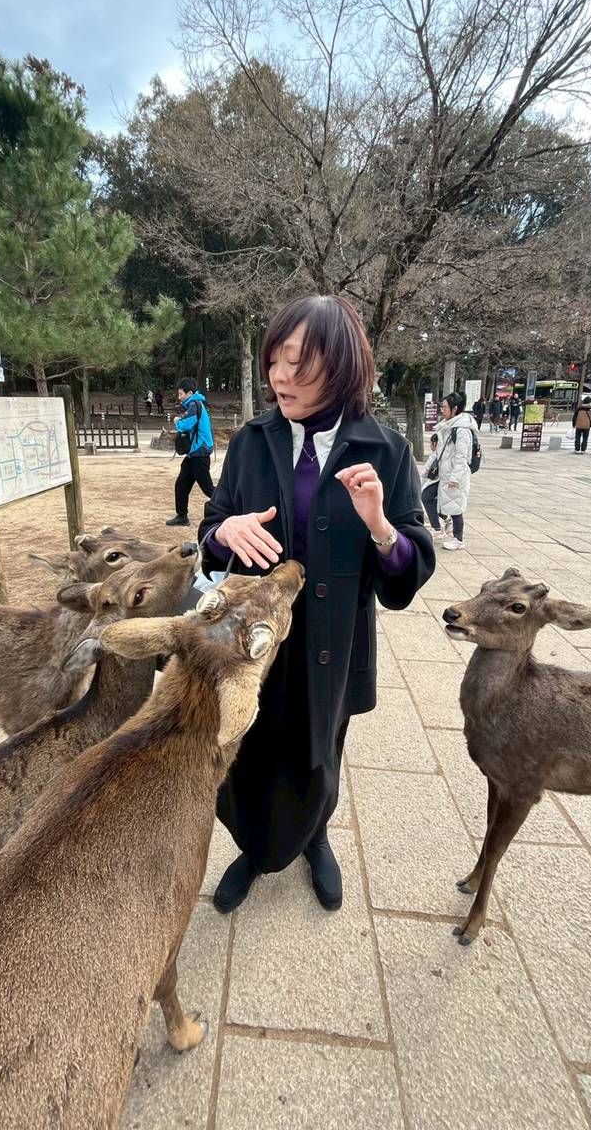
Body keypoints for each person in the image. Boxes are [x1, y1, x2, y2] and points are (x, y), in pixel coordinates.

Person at [199, 294, 435, 913]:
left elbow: (408, 569)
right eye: (274, 360)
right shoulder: (252, 441)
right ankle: (254, 848)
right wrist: (224, 532)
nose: (279, 376)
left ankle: (316, 837)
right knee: (247, 750)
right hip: (252, 641)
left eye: (297, 362)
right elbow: (212, 525)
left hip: (335, 641)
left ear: (341, 365)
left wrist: (380, 526)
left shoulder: (386, 451)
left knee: (320, 750)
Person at [420, 392, 479, 552]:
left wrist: (455, 478)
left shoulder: (462, 430)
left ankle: (458, 539)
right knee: (426, 496)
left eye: (445, 407)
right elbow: (437, 453)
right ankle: (438, 528)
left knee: (455, 506)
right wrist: (427, 469)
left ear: (455, 409)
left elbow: (462, 457)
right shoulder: (446, 427)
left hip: (455, 475)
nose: (442, 410)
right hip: (443, 473)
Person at [165, 378, 215, 527]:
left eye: (181, 394)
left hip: (199, 453)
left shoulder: (194, 405)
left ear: (190, 393)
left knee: (208, 488)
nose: (179, 397)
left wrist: (177, 421)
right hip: (194, 454)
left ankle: (233, 506)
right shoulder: (195, 405)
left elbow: (185, 424)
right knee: (181, 484)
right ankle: (182, 516)